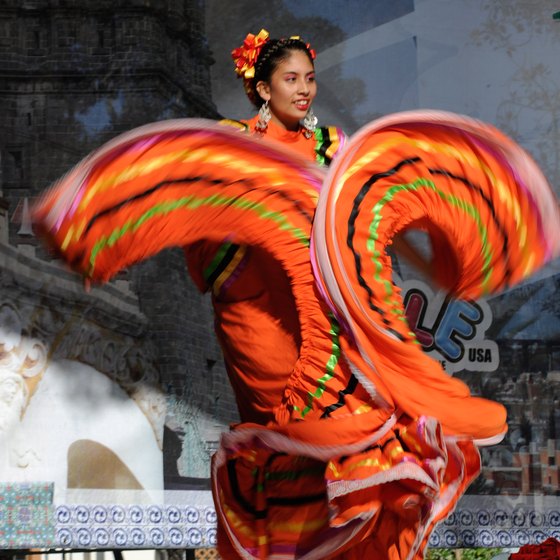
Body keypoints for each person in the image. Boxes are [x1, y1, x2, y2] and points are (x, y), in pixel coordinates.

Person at [183, 30, 488, 560]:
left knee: (357, 428)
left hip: (326, 309)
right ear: (260, 87)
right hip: (257, 306)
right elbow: (200, 211)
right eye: (290, 79)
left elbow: (365, 218)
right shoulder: (229, 139)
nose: (304, 90)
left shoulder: (335, 146)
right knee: (288, 436)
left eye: (310, 78)